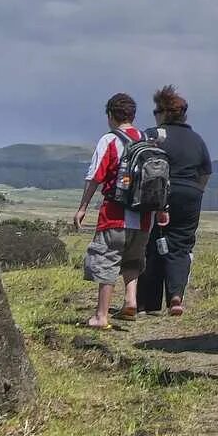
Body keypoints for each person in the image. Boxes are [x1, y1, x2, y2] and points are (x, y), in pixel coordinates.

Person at [72, 92, 162, 327]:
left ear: (110, 115)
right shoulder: (147, 139)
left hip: (115, 213)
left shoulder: (110, 140)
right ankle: (130, 301)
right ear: (132, 115)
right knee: (133, 260)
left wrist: (82, 208)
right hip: (144, 216)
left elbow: (95, 176)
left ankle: (101, 315)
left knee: (107, 260)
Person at [137, 85, 211, 316]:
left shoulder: (152, 135)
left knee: (150, 244)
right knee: (181, 244)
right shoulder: (196, 140)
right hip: (190, 194)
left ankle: (148, 302)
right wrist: (195, 190)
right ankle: (176, 295)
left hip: (158, 195)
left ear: (164, 113)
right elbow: (206, 171)